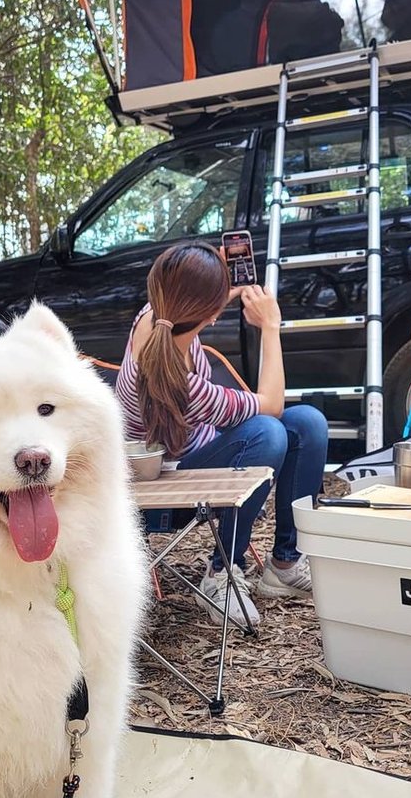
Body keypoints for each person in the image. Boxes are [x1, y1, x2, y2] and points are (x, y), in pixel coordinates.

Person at [115, 241, 329, 626]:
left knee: (308, 423)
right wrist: (270, 326)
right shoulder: (186, 390)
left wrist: (213, 282)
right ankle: (222, 573)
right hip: (164, 494)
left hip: (179, 464)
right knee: (267, 433)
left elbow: (185, 303)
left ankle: (285, 562)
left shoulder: (153, 318)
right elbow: (273, 404)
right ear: (211, 314)